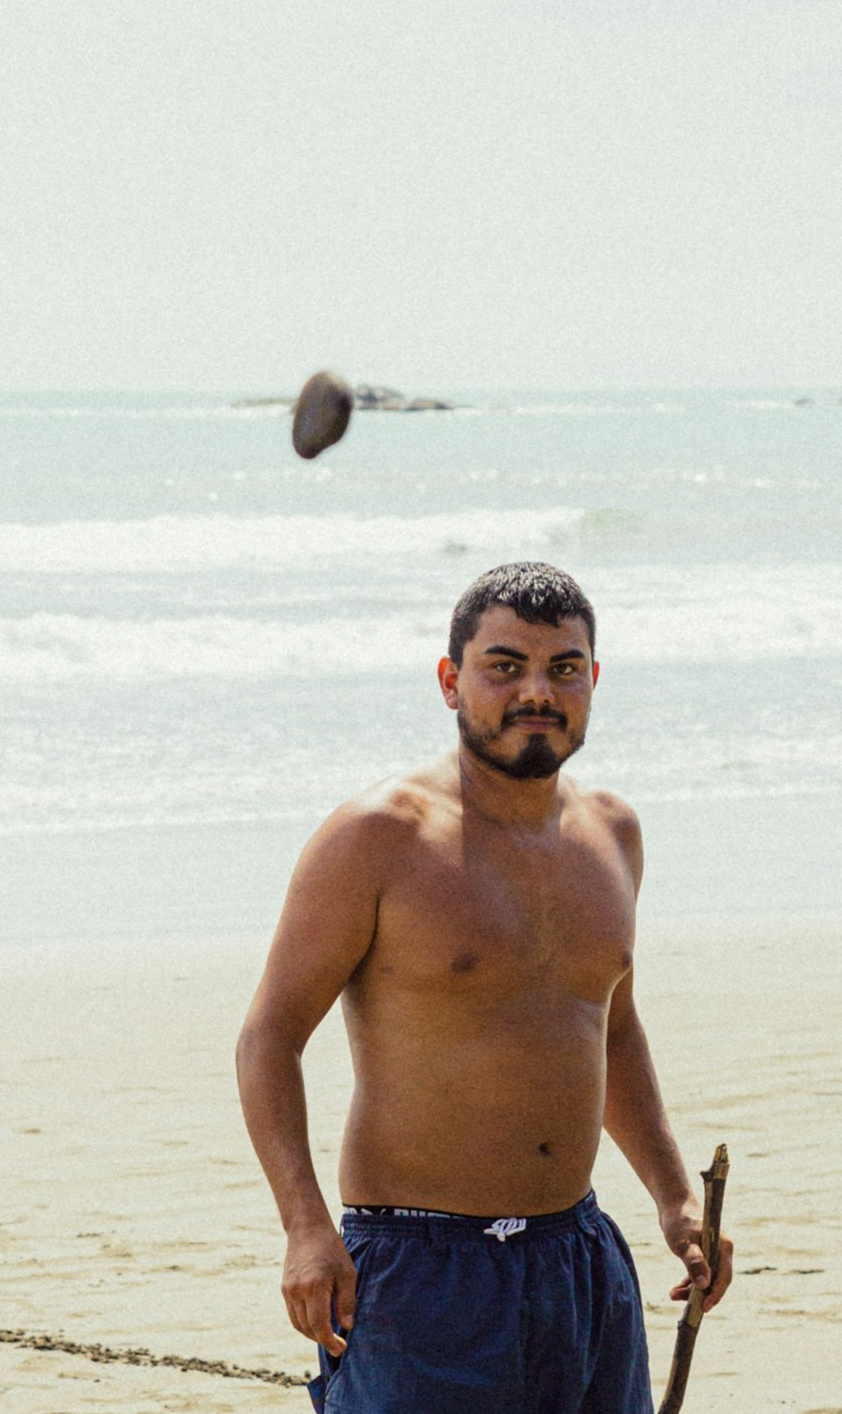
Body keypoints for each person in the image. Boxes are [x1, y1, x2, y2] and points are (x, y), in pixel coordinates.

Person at [236, 561, 733, 1412]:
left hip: (577, 1255)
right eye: (504, 666)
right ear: (450, 680)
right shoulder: (378, 837)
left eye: (563, 668)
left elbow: (609, 1025)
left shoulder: (613, 832)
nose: (536, 691)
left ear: (592, 681)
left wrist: (675, 1194)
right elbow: (269, 1036)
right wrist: (305, 1227)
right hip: (420, 1269)